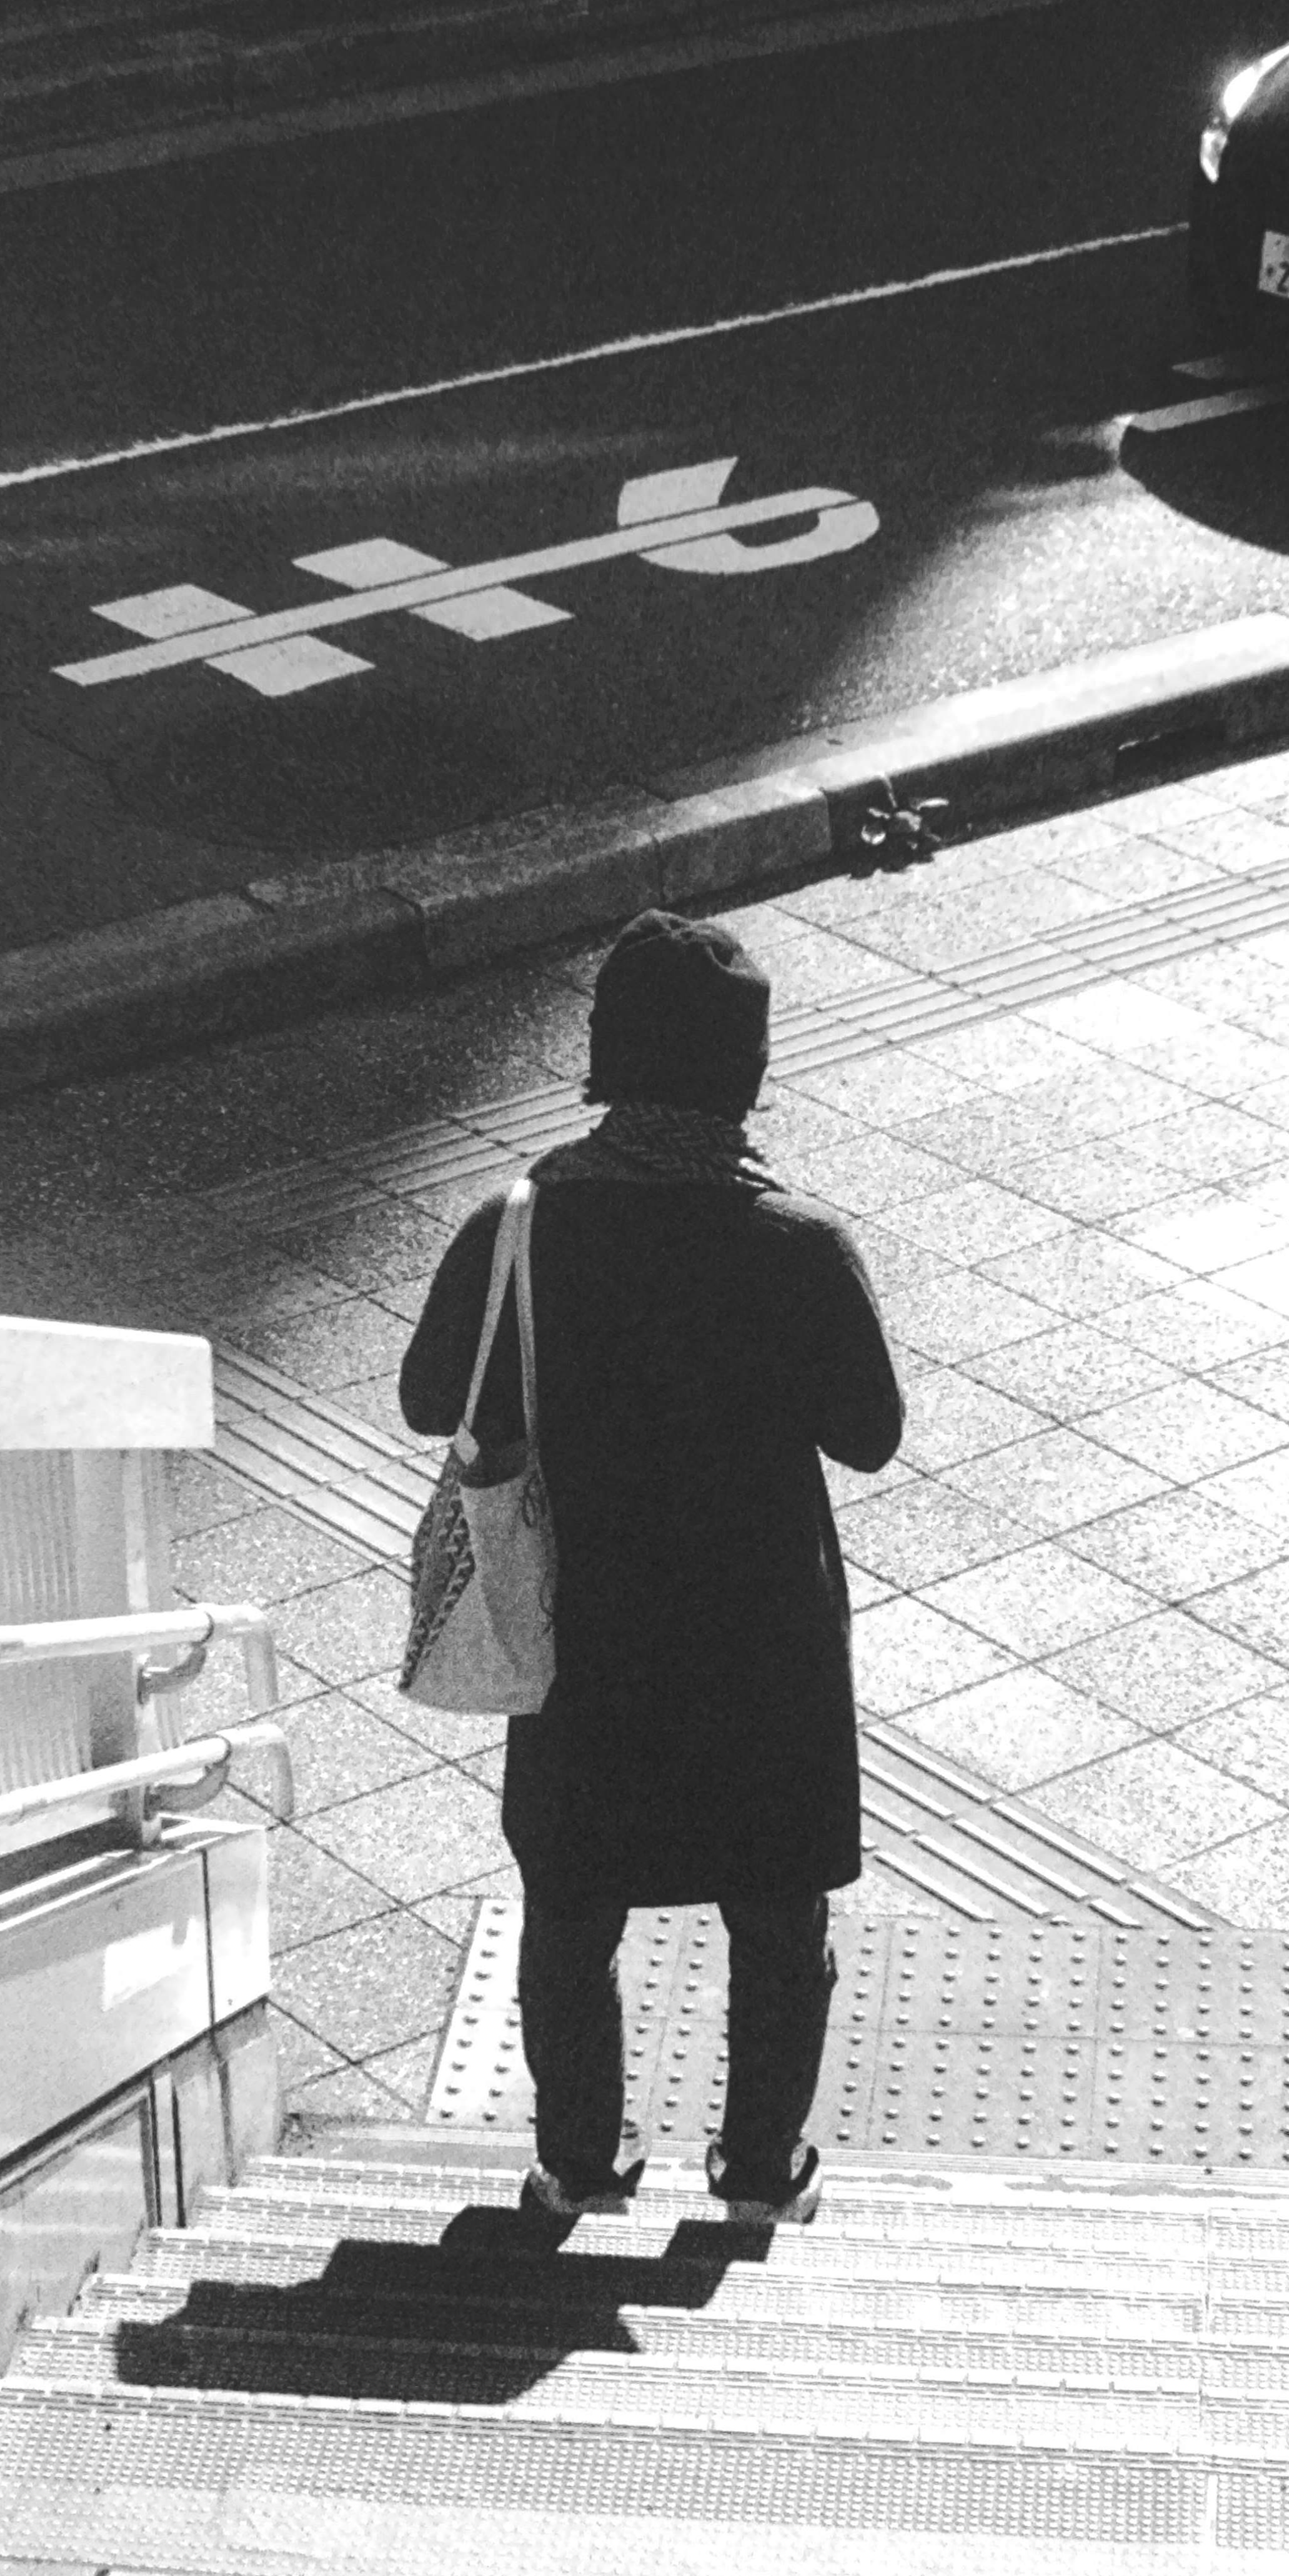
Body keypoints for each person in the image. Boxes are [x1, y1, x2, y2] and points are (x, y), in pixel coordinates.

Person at [398, 909, 905, 2229]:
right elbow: (871, 1436)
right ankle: (754, 2176)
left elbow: (422, 1399)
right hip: (759, 1638)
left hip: (580, 1629)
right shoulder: (796, 1245)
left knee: (573, 1903)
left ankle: (577, 2163)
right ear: (745, 1072)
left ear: (604, 1058)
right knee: (776, 1917)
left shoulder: (517, 1227)